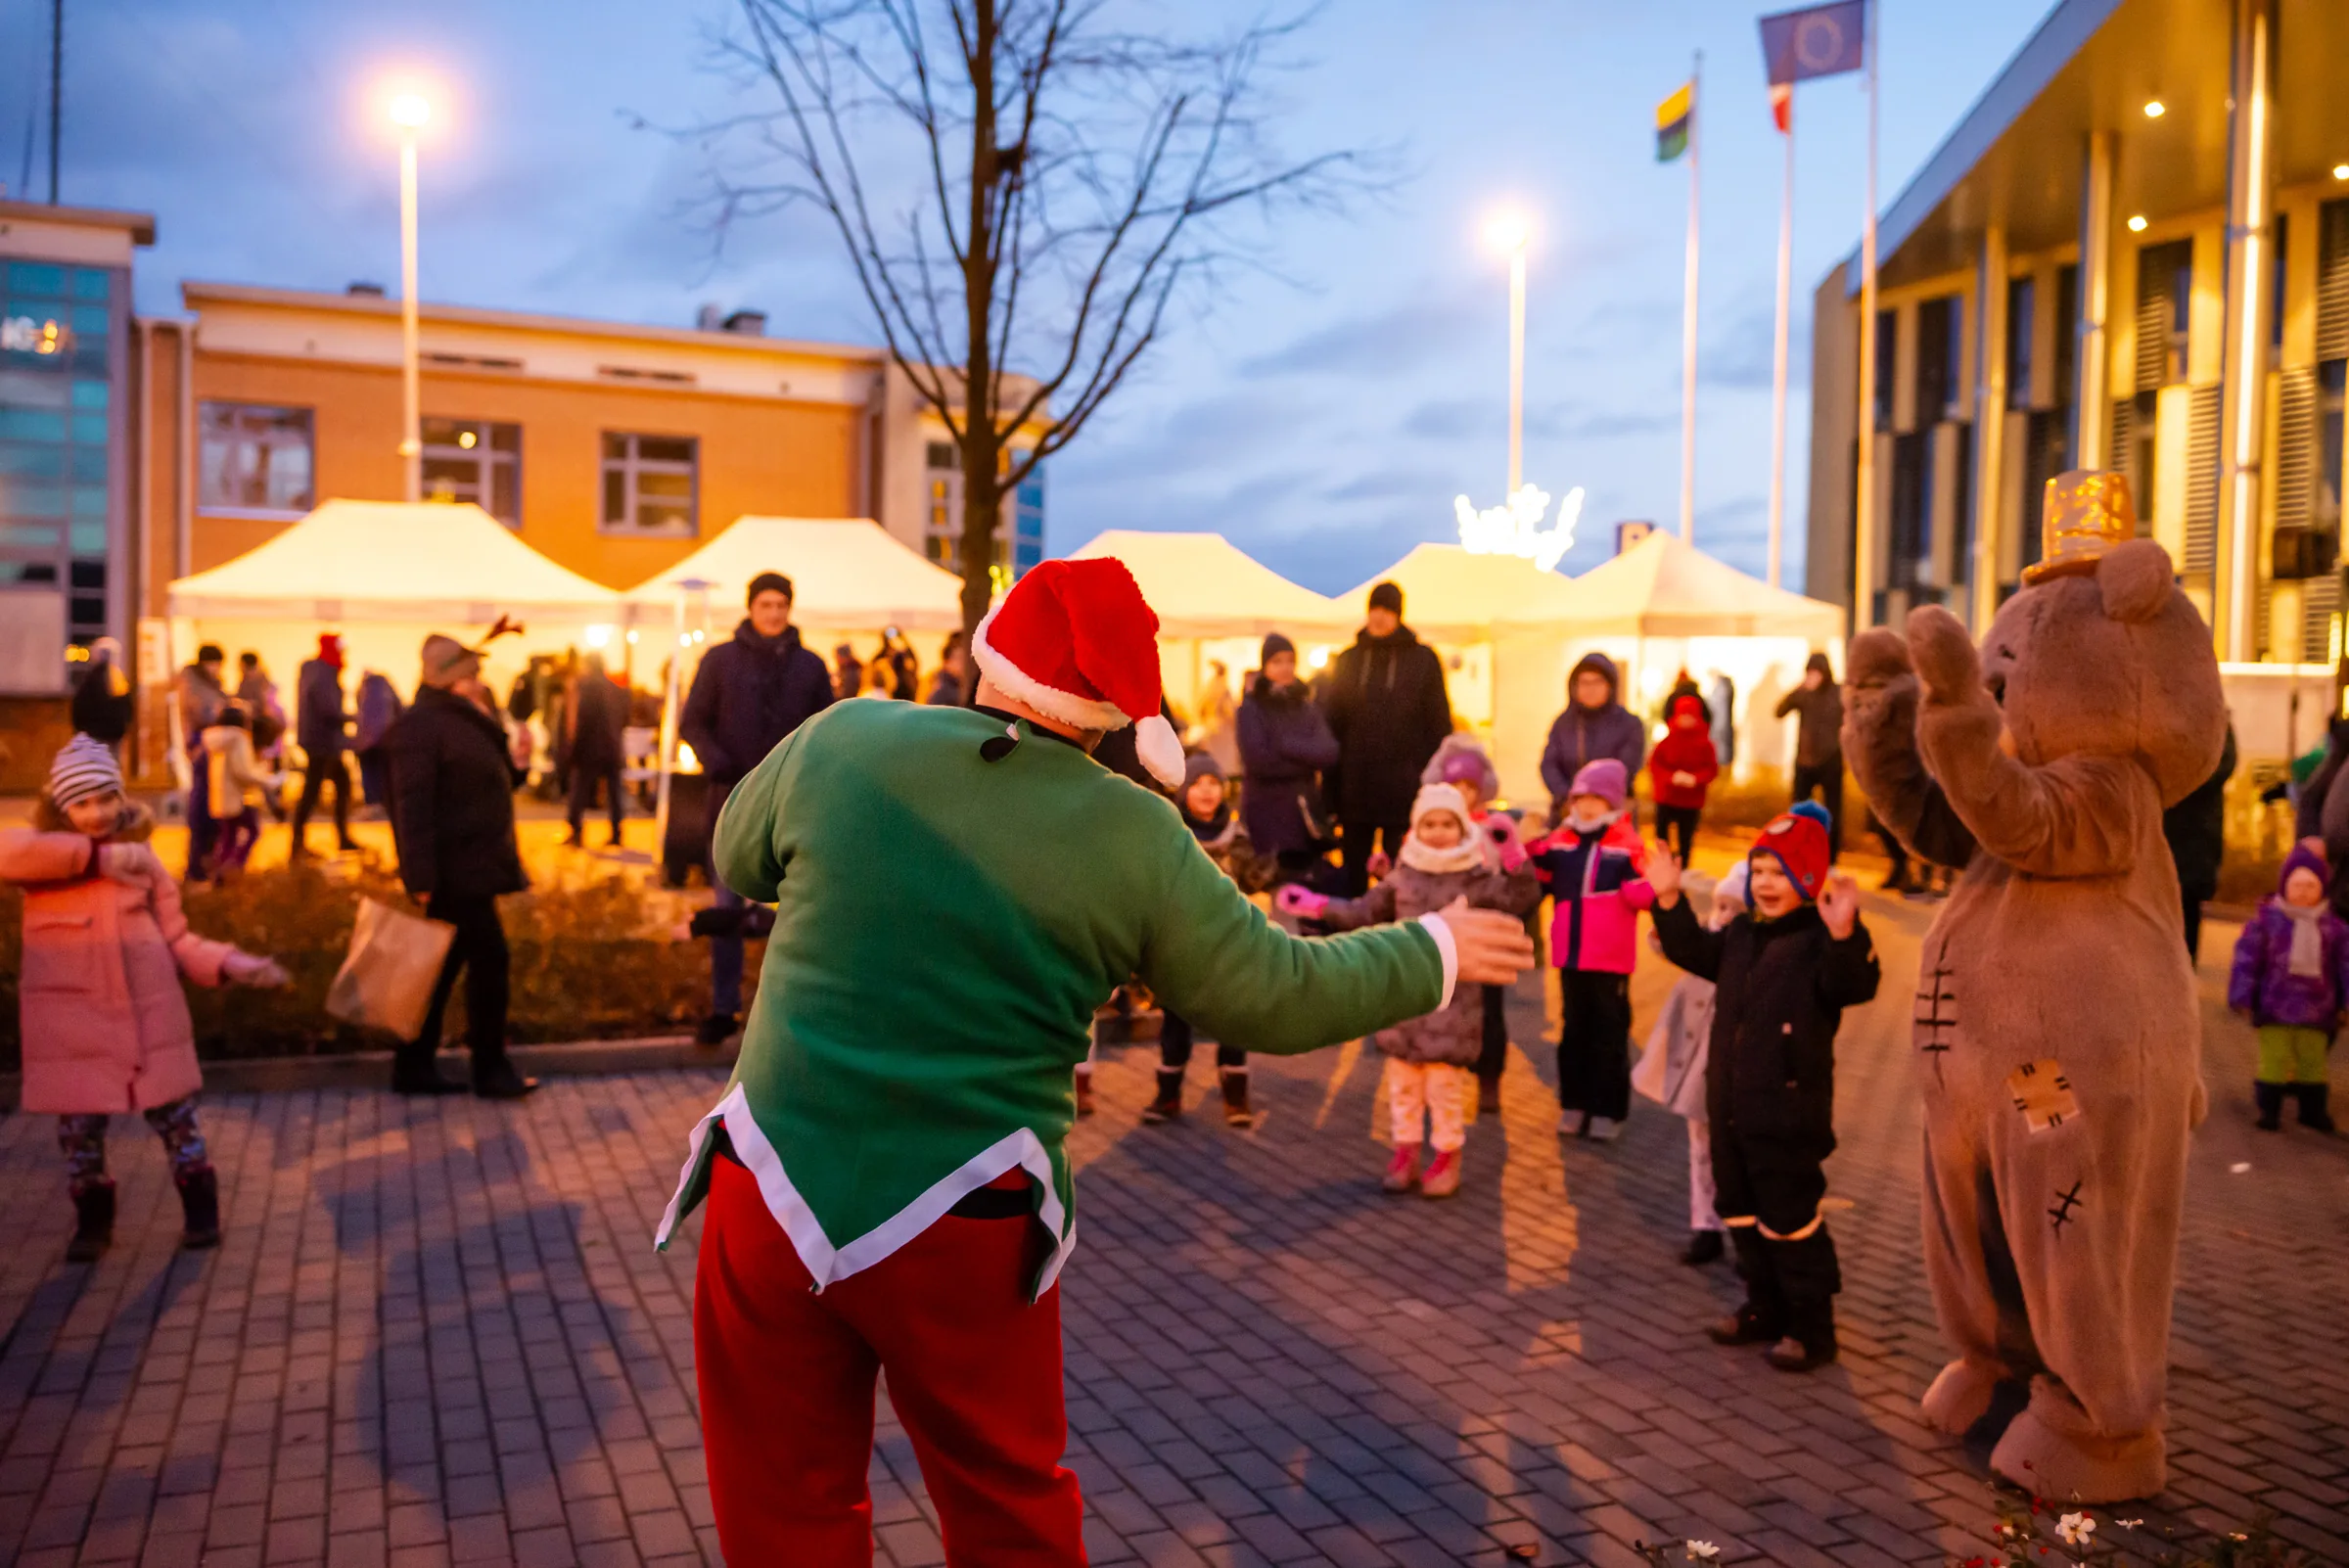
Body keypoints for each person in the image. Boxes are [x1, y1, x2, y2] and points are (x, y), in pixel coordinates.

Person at [656, 556, 1535, 1564]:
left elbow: (738, 855)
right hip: (964, 1213)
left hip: (769, 1187)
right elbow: (1274, 994)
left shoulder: (846, 736)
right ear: (1114, 712)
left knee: (782, 1507)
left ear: (991, 651)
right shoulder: (1135, 833)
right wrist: (1435, 947)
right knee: (1005, 1508)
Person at [0, 735, 288, 1263]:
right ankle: (92, 1224)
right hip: (75, 1030)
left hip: (148, 1019)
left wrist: (231, 963)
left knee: (178, 1123)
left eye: (106, 799)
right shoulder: (44, 864)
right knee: (80, 1135)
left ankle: (201, 1214)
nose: (96, 813)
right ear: (60, 809)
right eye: (81, 804)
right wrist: (96, 858)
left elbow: (178, 939)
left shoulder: (144, 863)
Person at [1646, 803, 1877, 1372]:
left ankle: (1811, 1327)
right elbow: (1692, 951)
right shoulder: (1742, 933)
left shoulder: (1821, 939)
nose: (1766, 884)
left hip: (1788, 1113)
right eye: (1759, 871)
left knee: (1790, 1219)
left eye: (1780, 872)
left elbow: (1855, 984)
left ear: (1806, 879)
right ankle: (1762, 1307)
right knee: (1742, 1212)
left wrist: (1847, 932)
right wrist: (1670, 900)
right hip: (1730, 1108)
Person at [1281, 783, 1538, 1198]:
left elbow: (1519, 897)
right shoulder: (1403, 876)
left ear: (1460, 828)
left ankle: (1446, 1155)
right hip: (1403, 1004)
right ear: (1415, 828)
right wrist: (1316, 905)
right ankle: (1405, 1153)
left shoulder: (1474, 878)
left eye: (1446, 823)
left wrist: (1513, 856)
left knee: (1443, 1090)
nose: (1437, 831)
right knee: (1402, 1090)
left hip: (1452, 1005)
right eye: (1429, 823)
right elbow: (1363, 912)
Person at [678, 572, 836, 1044]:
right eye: (765, 604)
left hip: (793, 801)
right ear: (751, 607)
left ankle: (786, 1012)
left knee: (796, 909)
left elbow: (827, 727)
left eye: (780, 605)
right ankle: (724, 1008)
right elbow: (693, 721)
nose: (773, 613)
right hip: (731, 801)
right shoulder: (720, 660)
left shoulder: (809, 665)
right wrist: (718, 763)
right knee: (727, 906)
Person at [384, 633, 538, 1100]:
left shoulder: (465, 719)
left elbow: (495, 780)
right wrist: (421, 877)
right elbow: (412, 806)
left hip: (473, 864)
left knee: (442, 967)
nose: (479, 681)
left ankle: (414, 1063)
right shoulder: (422, 727)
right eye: (471, 674)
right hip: (453, 870)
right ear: (452, 678)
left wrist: (522, 762)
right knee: (490, 960)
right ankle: (489, 1069)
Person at [1527, 759, 1653, 1141]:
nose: (1586, 805)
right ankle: (1574, 1104)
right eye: (1580, 797)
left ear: (1614, 802)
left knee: (1609, 1035)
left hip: (1611, 960)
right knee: (1573, 1033)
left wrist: (1658, 884)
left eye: (1597, 798)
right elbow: (1536, 878)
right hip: (1570, 957)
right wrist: (1528, 844)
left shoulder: (1627, 846)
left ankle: (1607, 1110)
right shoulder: (1560, 842)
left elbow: (1640, 897)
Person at [1635, 860, 1747, 1267]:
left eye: (1737, 910)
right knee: (1701, 1148)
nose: (1726, 917)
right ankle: (1706, 1224)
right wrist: (1663, 919)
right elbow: (1678, 944)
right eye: (1722, 907)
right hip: (1697, 1071)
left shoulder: (1746, 955)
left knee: (1736, 1152)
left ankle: (1743, 1230)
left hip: (1733, 1072)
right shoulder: (1707, 941)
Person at [1143, 754, 1260, 1127]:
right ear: (1184, 792)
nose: (1207, 791)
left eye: (1214, 782)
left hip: (1229, 948)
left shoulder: (1238, 838)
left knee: (1234, 1022)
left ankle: (1235, 1095)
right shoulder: (1173, 836)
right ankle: (1168, 1094)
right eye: (1198, 784)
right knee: (1176, 1025)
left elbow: (1256, 885)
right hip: (1181, 948)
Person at [1319, 582, 1453, 895]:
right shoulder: (1349, 660)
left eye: (1387, 611)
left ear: (1398, 615)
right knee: (1353, 870)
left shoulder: (1422, 660)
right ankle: (1352, 935)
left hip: (1404, 785)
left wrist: (1431, 778)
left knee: (1402, 869)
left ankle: (1397, 933)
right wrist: (1331, 790)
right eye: (1374, 610)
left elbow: (1438, 721)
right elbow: (1333, 724)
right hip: (1356, 785)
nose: (1379, 617)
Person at [1421, 735, 1516, 1113]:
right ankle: (1441, 1079)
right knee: (1440, 1009)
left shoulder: (1494, 828)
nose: (1463, 794)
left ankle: (1489, 1077)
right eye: (1455, 786)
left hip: (1484, 931)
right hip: (1441, 933)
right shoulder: (1432, 824)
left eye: (1470, 787)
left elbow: (1513, 878)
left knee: (1490, 1011)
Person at [2228, 842, 2344, 1132]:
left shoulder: (2334, 928)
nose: (2303, 892)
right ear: (2284, 887)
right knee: (2274, 1060)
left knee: (2313, 1063)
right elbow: (2247, 960)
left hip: (2318, 1011)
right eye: (2297, 885)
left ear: (2322, 889)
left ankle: (2312, 1111)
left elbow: (2346, 968)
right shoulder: (2267, 922)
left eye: (2310, 885)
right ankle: (2269, 1109)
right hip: (2274, 1007)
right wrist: (2242, 996)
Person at [1237, 633, 1342, 886]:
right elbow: (1259, 761)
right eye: (1277, 661)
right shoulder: (1251, 709)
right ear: (1265, 666)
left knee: (1303, 887)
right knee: (1272, 884)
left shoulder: (1306, 707)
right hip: (1266, 810)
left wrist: (1285, 744)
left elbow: (1329, 752)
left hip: (1304, 813)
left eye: (1289, 661)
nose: (1285, 668)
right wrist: (1306, 760)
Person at [1539, 653, 1645, 828]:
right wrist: (1569, 797)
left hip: (1612, 817)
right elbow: (1549, 764)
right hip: (1567, 815)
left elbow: (1626, 768)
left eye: (1597, 682)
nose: (1591, 689)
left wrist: (1595, 799)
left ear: (1610, 686)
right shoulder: (1563, 723)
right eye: (1584, 683)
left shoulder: (1629, 724)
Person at [2165, 721, 2236, 961]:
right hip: (2167, 830)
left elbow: (2221, 765)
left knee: (2188, 903)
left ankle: (2183, 969)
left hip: (2195, 834)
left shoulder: (2213, 721)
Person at [292, 633, 359, 857]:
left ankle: (334, 837)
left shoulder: (315, 670)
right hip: (322, 742)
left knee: (333, 785)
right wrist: (355, 718)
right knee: (315, 791)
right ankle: (300, 844)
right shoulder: (324, 673)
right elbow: (328, 709)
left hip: (319, 741)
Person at [199, 703, 283, 880]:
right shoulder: (238, 739)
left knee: (228, 836)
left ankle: (219, 869)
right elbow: (243, 771)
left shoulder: (216, 741)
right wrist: (268, 779)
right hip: (239, 798)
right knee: (253, 831)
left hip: (221, 797)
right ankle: (234, 866)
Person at [1775, 653, 1843, 856]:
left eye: (1816, 672)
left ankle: (1830, 856)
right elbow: (1779, 711)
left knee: (1832, 812)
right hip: (1804, 760)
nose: (1813, 676)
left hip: (1831, 759)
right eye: (1809, 672)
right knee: (1798, 810)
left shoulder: (1838, 693)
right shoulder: (1803, 693)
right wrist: (1799, 688)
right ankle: (1797, 850)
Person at [176, 644, 230, 882]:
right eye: (216, 663)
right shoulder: (193, 683)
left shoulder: (207, 683)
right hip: (201, 746)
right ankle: (196, 865)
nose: (218, 668)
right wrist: (224, 711)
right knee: (203, 805)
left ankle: (207, 861)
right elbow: (202, 713)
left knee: (212, 805)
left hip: (208, 744)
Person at [1648, 690, 1720, 868]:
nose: (1686, 720)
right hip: (1667, 798)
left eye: (1690, 716)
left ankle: (1683, 867)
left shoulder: (1705, 744)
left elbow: (1711, 769)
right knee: (1662, 836)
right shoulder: (1667, 741)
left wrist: (1695, 779)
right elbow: (1655, 765)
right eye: (1683, 716)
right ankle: (1663, 865)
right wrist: (1670, 777)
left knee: (1685, 838)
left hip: (1691, 801)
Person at [566, 651, 628, 848]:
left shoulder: (586, 687)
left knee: (580, 790)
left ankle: (576, 832)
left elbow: (583, 719)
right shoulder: (617, 689)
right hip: (613, 747)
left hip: (590, 748)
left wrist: (573, 748)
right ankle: (617, 834)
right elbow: (625, 718)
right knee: (615, 793)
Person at [70, 635, 134, 750]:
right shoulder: (119, 680)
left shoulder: (90, 679)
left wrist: (81, 729)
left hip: (92, 737)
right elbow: (127, 708)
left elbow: (79, 708)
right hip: (114, 736)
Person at [353, 669, 403, 811]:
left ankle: (372, 803)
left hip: (365, 742)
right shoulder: (386, 687)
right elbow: (399, 708)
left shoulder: (361, 690)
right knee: (385, 772)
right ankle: (385, 803)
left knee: (369, 772)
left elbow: (360, 713)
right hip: (386, 738)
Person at [1189, 659, 1241, 776]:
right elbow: (1231, 711)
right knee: (1223, 764)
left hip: (1212, 728)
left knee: (1217, 763)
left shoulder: (1210, 686)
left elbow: (1200, 708)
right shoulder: (1223, 688)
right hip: (1221, 730)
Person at [926, 631, 970, 706]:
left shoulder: (962, 687)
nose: (963, 663)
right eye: (959, 658)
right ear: (946, 662)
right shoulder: (941, 693)